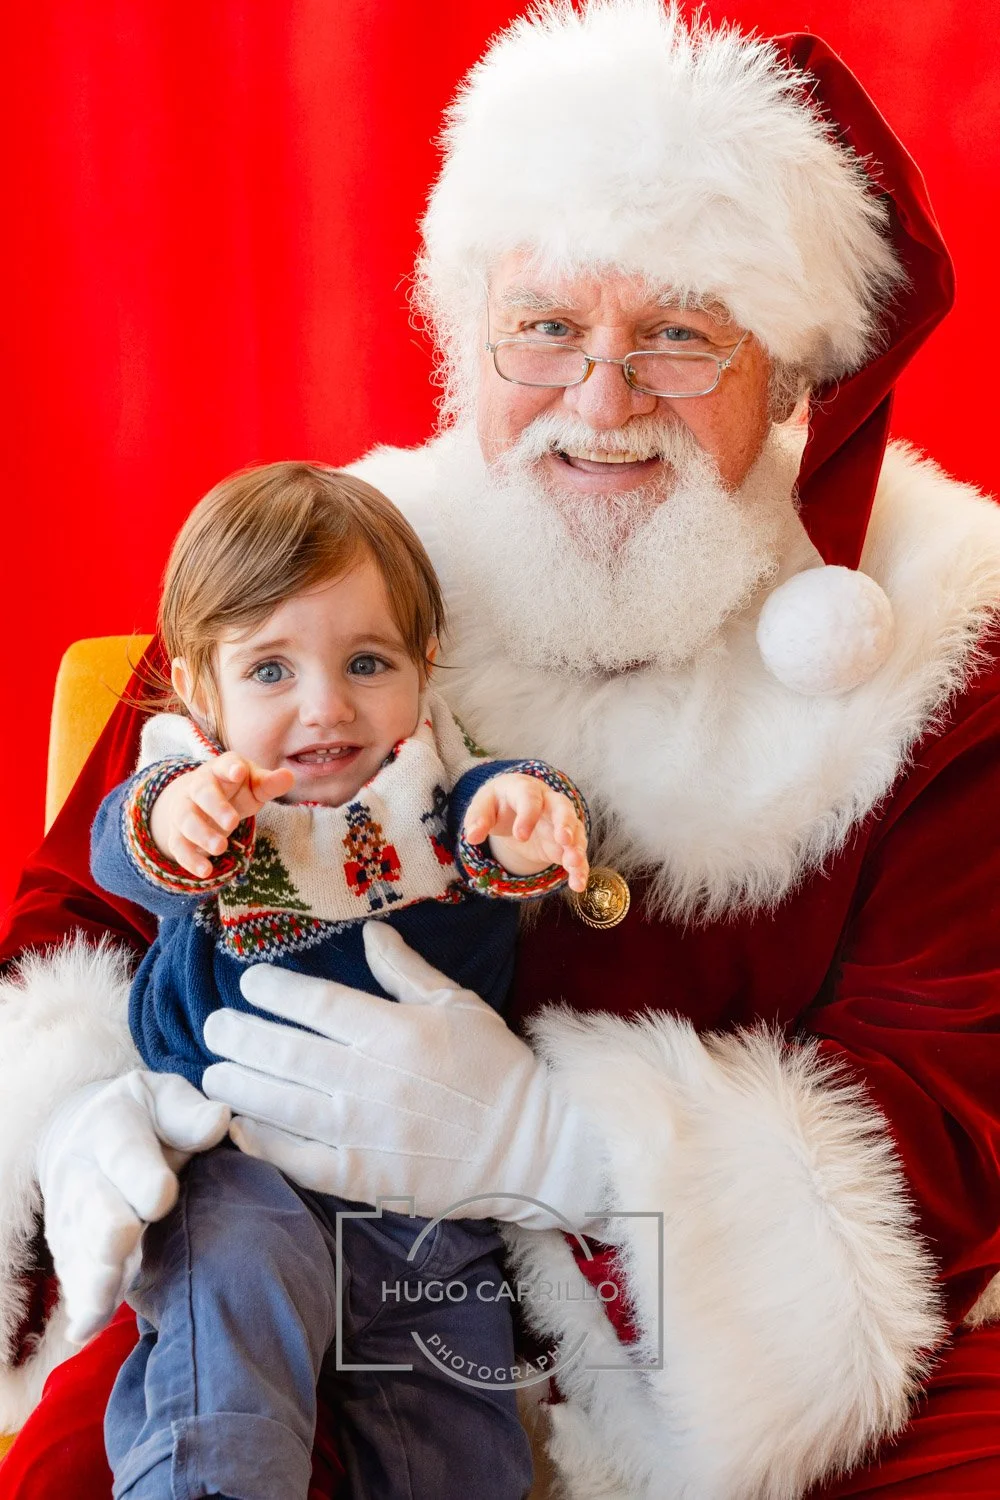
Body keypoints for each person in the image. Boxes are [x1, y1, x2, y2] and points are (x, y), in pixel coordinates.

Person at [2, 3, 1000, 1497]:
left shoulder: (940, 649)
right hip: (304, 1266)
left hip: (704, 1366)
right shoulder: (325, 571)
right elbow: (74, 921)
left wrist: (568, 1153)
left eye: (678, 334)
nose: (602, 404)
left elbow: (945, 1095)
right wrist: (79, 1127)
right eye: (547, 329)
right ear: (468, 337)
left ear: (789, 376)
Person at [89, 460, 590, 1500]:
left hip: (423, 1187)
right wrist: (177, 823)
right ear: (198, 690)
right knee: (223, 1320)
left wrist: (528, 820)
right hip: (233, 1165)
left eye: (367, 662)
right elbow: (119, 849)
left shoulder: (444, 789)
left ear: (424, 666)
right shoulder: (199, 790)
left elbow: (499, 816)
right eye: (270, 671)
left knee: (455, 1413)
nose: (326, 708)